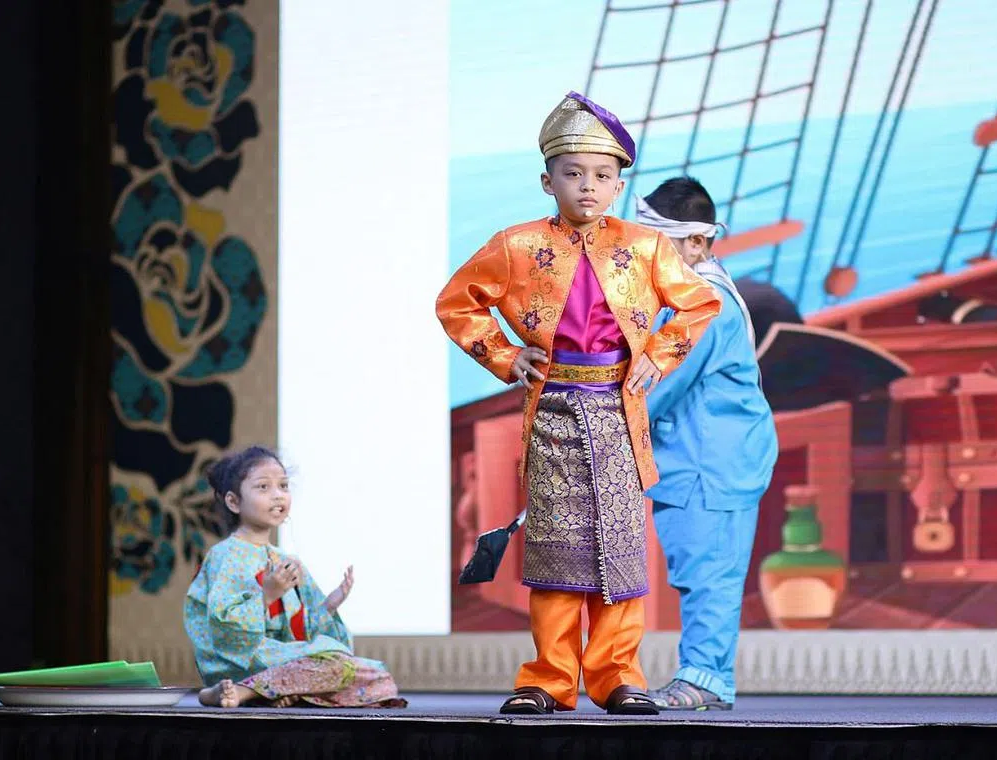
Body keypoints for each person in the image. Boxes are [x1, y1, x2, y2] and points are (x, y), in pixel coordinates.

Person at [436, 93, 721, 715]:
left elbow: (700, 302)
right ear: (548, 181)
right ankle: (548, 678)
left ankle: (618, 676)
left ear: (619, 185)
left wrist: (660, 352)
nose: (587, 186)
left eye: (601, 175)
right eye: (573, 173)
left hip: (619, 410)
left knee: (620, 551)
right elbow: (457, 302)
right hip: (554, 412)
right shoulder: (516, 245)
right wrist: (503, 355)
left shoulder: (647, 247)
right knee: (556, 551)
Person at [635, 177, 778, 710]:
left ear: (696, 243)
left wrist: (596, 431)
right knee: (699, 570)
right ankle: (702, 675)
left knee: (709, 575)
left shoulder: (705, 305)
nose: (643, 255)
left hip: (711, 462)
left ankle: (705, 680)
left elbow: (659, 387)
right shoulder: (689, 297)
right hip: (695, 457)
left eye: (658, 244)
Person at [184, 445, 406, 709]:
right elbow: (221, 628)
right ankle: (242, 690)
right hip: (244, 660)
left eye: (283, 486)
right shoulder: (224, 555)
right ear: (234, 502)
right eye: (263, 487)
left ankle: (269, 693)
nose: (278, 495)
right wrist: (267, 596)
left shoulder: (286, 560)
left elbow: (303, 633)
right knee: (337, 666)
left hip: (284, 661)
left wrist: (328, 606)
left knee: (377, 677)